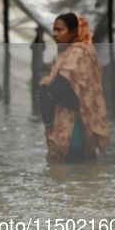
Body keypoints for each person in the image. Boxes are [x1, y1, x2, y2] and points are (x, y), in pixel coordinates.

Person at [38, 12, 109, 163]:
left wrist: (47, 87)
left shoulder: (79, 54)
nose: (55, 34)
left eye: (60, 30)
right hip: (65, 119)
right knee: (71, 173)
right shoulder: (67, 54)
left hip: (75, 123)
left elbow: (66, 88)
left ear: (74, 32)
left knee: (73, 166)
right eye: (54, 30)